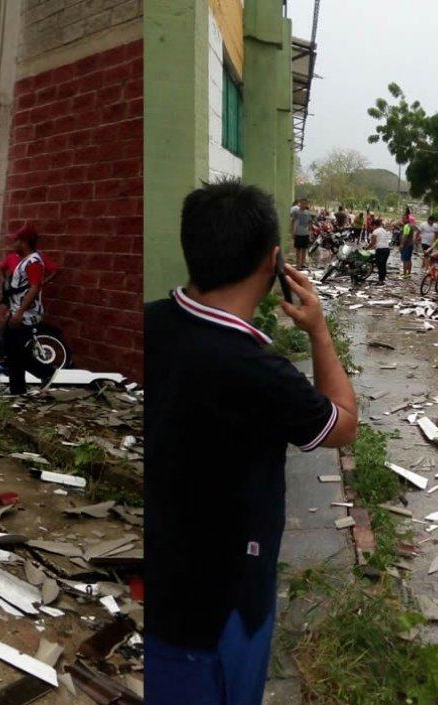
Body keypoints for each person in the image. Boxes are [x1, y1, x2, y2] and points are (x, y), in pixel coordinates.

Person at [144, 181, 358, 705]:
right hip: (218, 611)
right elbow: (343, 425)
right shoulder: (260, 373)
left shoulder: (149, 322)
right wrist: (319, 332)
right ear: (276, 262)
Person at [3, 225, 57, 395]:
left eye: (16, 240)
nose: (13, 244)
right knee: (12, 350)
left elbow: (34, 288)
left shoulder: (33, 262)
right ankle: (17, 389)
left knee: (16, 350)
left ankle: (45, 372)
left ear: (24, 242)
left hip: (26, 315)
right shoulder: (26, 260)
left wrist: (19, 312)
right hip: (18, 312)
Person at [289, 198, 313, 269]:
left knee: (304, 249)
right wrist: (292, 231)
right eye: (302, 203)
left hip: (305, 233)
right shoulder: (296, 212)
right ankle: (298, 263)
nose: (304, 205)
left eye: (305, 203)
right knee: (298, 249)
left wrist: (310, 233)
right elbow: (292, 221)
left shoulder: (308, 213)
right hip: (298, 233)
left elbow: (309, 223)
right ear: (300, 203)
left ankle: (303, 263)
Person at [370, 218, 392, 284]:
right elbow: (381, 241)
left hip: (380, 250)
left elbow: (372, 243)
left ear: (374, 225)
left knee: (380, 265)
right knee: (383, 265)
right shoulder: (384, 230)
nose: (371, 227)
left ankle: (380, 280)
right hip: (387, 249)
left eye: (372, 226)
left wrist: (367, 248)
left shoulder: (375, 231)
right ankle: (382, 279)